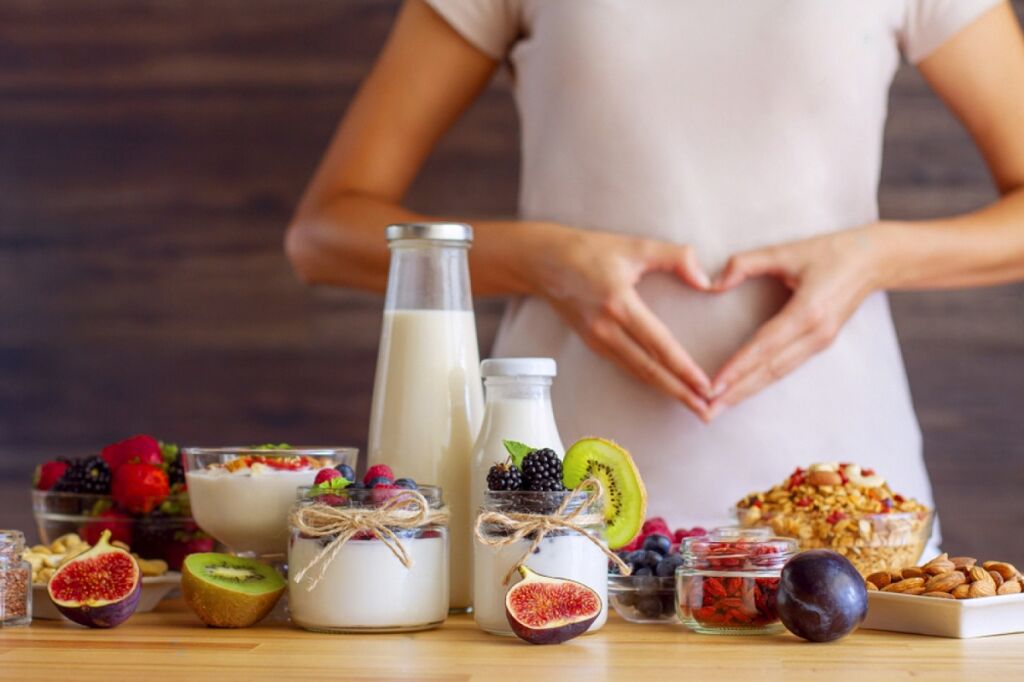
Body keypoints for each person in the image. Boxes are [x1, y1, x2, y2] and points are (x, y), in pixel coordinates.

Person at [285, 0, 1024, 533]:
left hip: (852, 514)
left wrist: (871, 255)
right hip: (557, 517)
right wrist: (545, 259)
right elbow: (325, 232)